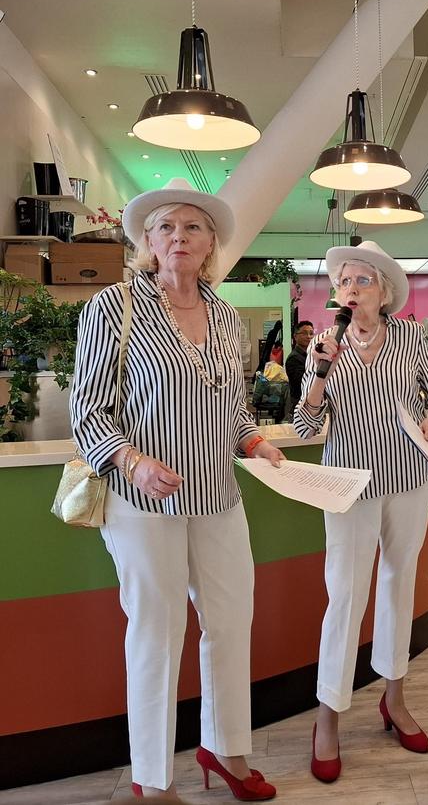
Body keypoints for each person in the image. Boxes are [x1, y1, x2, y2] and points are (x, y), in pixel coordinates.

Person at [70, 178, 284, 801]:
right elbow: (87, 412)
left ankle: (227, 749)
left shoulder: (224, 315)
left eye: (193, 227)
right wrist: (132, 462)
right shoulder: (114, 308)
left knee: (231, 624)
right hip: (144, 503)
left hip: (219, 497)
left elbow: (234, 407)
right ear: (148, 239)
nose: (179, 237)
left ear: (212, 242)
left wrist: (255, 443)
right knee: (157, 633)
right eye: (166, 227)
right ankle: (152, 779)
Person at [293, 241, 428, 782]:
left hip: (410, 478)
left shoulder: (410, 337)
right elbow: (305, 426)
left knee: (399, 586)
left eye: (363, 280)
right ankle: (328, 717)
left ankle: (395, 697)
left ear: (384, 293)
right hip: (349, 486)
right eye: (344, 281)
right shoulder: (324, 345)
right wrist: (320, 374)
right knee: (345, 596)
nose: (352, 289)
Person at [285, 320, 314, 410]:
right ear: (295, 336)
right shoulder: (294, 358)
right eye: (304, 333)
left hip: (310, 401)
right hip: (300, 403)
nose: (308, 336)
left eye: (311, 333)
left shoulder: (310, 355)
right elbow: (302, 382)